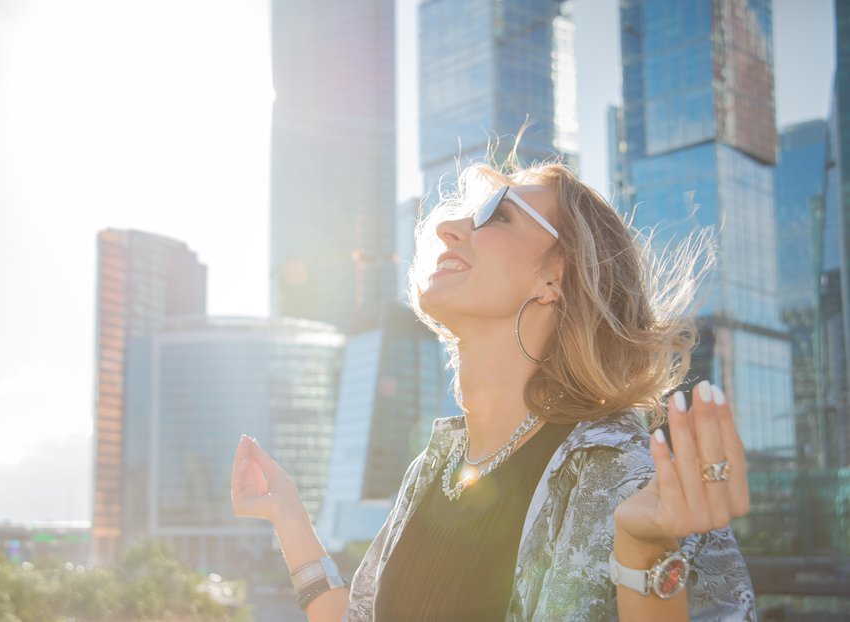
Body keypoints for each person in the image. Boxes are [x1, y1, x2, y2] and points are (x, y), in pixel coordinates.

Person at [231, 156, 757, 621]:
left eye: (497, 215)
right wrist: (289, 516)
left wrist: (645, 558)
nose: (450, 228)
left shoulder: (626, 475)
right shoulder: (434, 470)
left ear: (555, 279)